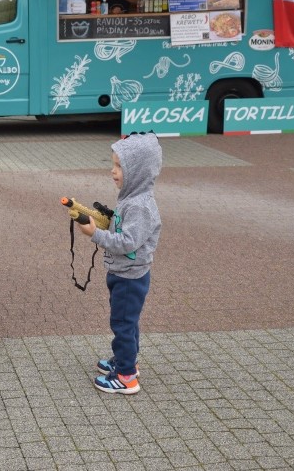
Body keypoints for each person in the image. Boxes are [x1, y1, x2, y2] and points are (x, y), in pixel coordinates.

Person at [77, 132, 162, 395]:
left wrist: (96, 234)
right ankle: (127, 362)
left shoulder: (139, 205)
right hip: (124, 273)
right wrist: (109, 218)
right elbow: (125, 228)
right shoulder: (131, 198)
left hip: (129, 277)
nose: (113, 172)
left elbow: (127, 242)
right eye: (112, 164)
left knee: (123, 324)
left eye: (120, 167)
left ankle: (126, 377)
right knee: (128, 321)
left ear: (137, 171)